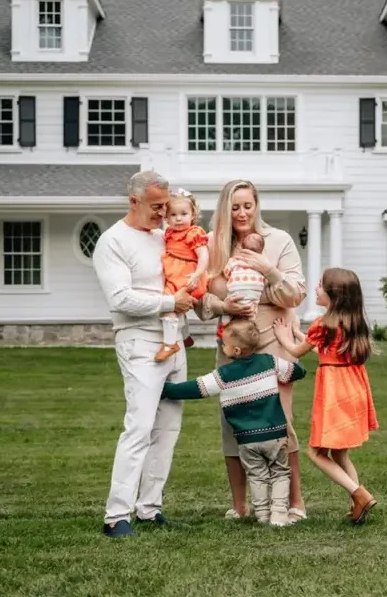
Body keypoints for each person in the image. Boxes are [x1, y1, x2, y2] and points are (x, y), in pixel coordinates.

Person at [193, 179, 308, 522]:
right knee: (233, 424)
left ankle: (295, 503)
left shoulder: (279, 240)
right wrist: (223, 304)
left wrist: (267, 272)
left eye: (248, 205)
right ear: (225, 208)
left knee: (281, 422)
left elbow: (295, 294)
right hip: (233, 343)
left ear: (257, 205)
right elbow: (200, 299)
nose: (242, 213)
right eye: (235, 206)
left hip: (273, 337)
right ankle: (241, 506)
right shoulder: (212, 244)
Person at [92, 170, 197, 538]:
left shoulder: (164, 237)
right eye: (156, 207)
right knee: (138, 426)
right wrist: (171, 301)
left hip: (174, 342)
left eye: (166, 206)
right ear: (133, 201)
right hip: (139, 342)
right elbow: (120, 299)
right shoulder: (112, 242)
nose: (162, 213)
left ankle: (149, 509)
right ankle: (116, 516)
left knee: (167, 428)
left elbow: (183, 278)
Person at [160, 319, 307, 527]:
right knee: (280, 473)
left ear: (236, 350)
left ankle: (263, 514)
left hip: (247, 440)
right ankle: (279, 515)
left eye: (224, 343)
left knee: (257, 475)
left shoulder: (224, 376)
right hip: (275, 434)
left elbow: (196, 388)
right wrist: (296, 364)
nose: (222, 346)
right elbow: (297, 372)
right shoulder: (269, 362)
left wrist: (165, 389)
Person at [273, 268, 378, 525]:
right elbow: (323, 346)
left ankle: (359, 494)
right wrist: (300, 334)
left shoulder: (323, 323)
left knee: (316, 452)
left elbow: (298, 351)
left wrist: (283, 337)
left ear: (334, 295)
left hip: (335, 392)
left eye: (320, 286)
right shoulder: (352, 322)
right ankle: (357, 505)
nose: (316, 289)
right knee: (340, 453)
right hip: (353, 388)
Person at [156, 189, 209, 362]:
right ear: (166, 217)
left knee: (169, 308)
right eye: (173, 215)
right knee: (176, 308)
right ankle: (185, 336)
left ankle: (170, 343)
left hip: (188, 277)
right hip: (174, 276)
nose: (178, 218)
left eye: (183, 214)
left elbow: (203, 256)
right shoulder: (169, 234)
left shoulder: (193, 233)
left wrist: (197, 274)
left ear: (193, 215)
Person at [216, 232, 266, 339]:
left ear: (242, 248)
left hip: (237, 291)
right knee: (252, 311)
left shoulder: (235, 260)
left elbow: (226, 272)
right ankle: (250, 329)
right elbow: (266, 274)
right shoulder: (262, 262)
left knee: (229, 308)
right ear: (261, 251)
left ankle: (224, 326)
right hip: (254, 292)